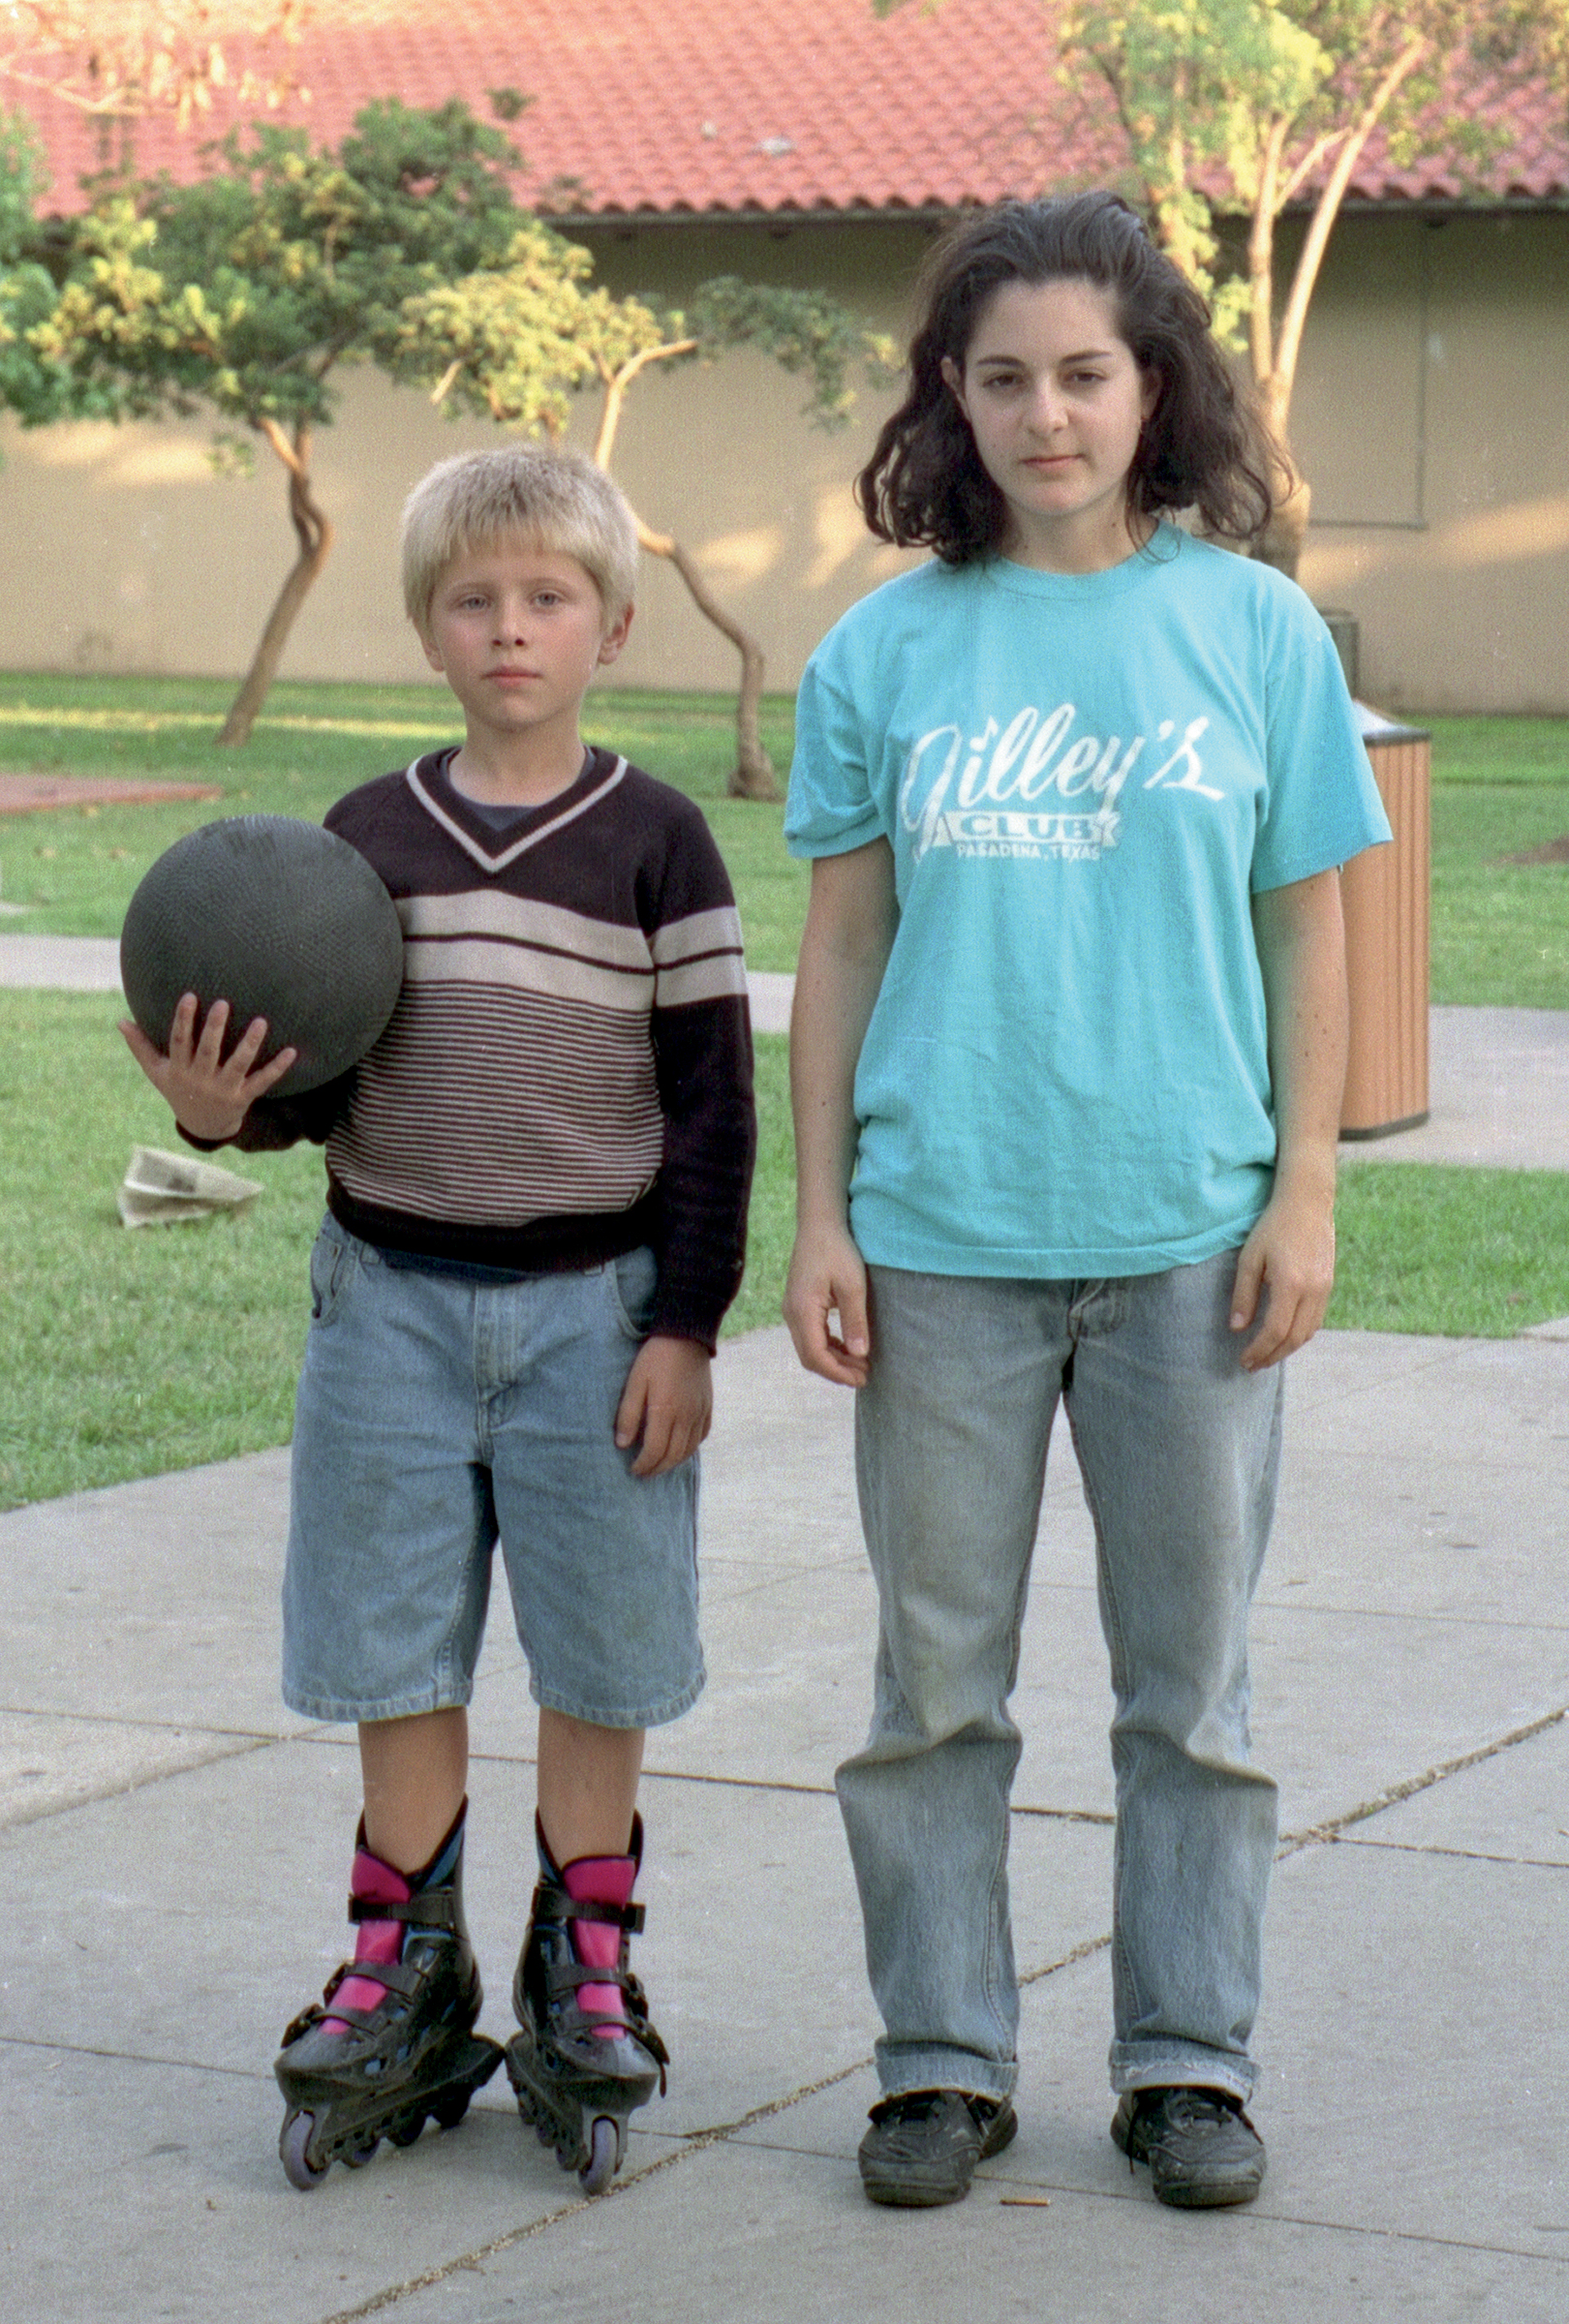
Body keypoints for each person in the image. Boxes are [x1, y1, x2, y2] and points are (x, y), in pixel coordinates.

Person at [782, 193, 1390, 2214]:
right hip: (944, 1234)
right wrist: (824, 1214)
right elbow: (845, 949)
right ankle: (939, 2058)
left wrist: (1302, 1192)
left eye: (1086, 373)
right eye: (1004, 375)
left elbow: (1311, 937)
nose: (1047, 412)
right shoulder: (885, 649)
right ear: (950, 397)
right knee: (934, 1686)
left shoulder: (1254, 628)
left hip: (1190, 1240)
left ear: (1156, 388)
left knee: (1187, 1691)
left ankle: (1187, 2061)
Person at [123, 444, 755, 2195]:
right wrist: (212, 1111)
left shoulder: (657, 839)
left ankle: (589, 1956)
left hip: (597, 1311)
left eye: (547, 596)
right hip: (390, 1305)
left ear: (613, 622)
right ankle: (402, 1956)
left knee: (601, 1644)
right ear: (427, 627)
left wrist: (686, 1324)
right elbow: (312, 1095)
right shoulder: (363, 842)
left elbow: (712, 1104)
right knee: (392, 1641)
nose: (511, 628)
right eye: (474, 600)